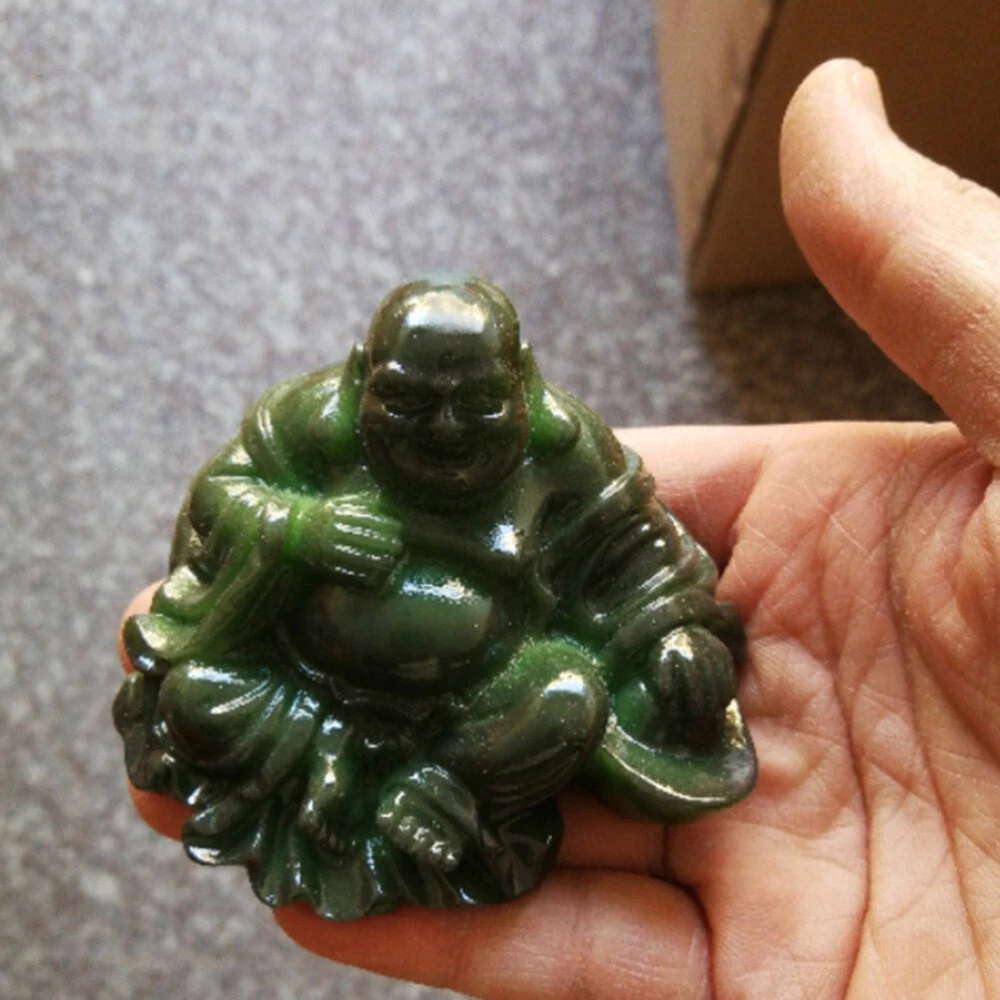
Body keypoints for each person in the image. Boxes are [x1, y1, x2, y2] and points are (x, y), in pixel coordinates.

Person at [119, 58, 1000, 997]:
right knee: (194, 698)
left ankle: (443, 788)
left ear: (522, 385)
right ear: (362, 381)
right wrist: (298, 529)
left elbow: (638, 556)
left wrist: (674, 643)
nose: (445, 432)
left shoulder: (561, 450)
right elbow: (219, 504)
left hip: (479, 703)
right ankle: (336, 763)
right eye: (410, 405)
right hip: (310, 679)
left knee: (571, 692)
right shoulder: (310, 427)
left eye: (476, 406)